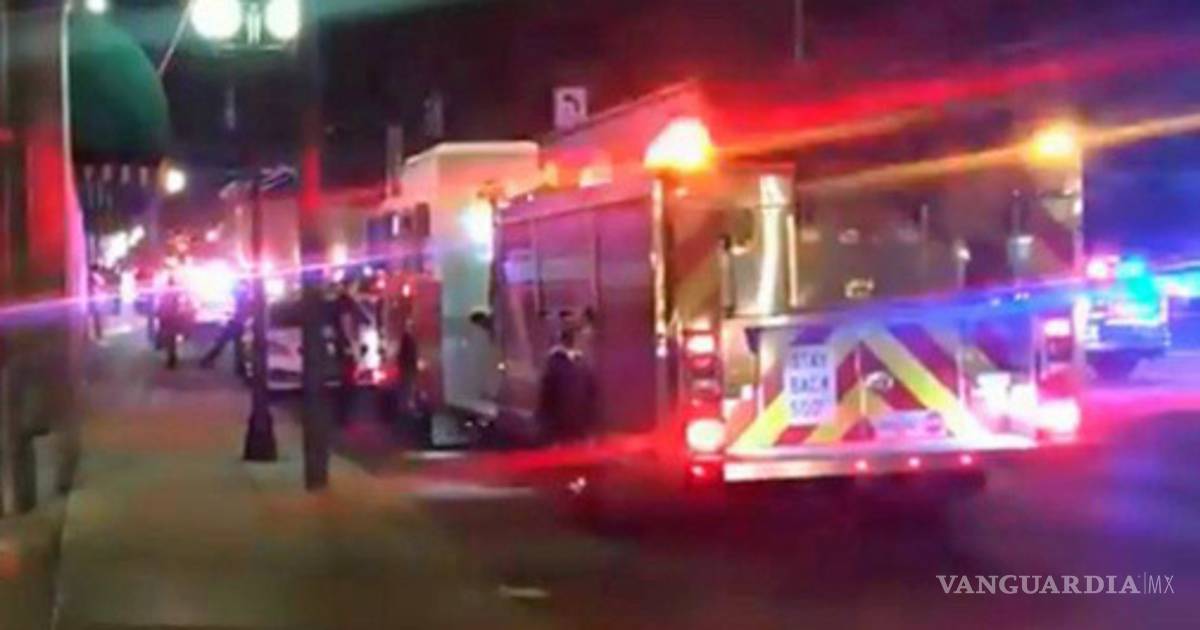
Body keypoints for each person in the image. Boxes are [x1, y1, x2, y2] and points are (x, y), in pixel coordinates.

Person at [200, 281, 251, 377]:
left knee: (226, 344)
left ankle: (207, 360)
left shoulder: (240, 294)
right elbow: (244, 309)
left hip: (235, 322)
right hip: (238, 323)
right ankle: (240, 368)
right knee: (236, 346)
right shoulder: (245, 295)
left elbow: (234, 298)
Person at [156, 276, 185, 370]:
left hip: (165, 317)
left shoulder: (163, 292)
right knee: (172, 337)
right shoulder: (177, 292)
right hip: (174, 317)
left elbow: (159, 305)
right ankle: (172, 356)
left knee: (167, 336)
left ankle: (169, 355)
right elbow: (180, 304)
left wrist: (158, 314)